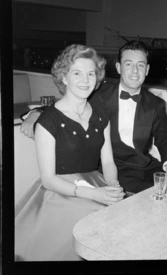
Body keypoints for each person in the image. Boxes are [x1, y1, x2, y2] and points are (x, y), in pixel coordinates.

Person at [20, 40, 167, 194]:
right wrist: (36, 113)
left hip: (145, 166)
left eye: (140, 65)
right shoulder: (98, 95)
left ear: (147, 70)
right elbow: (67, 104)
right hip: (113, 171)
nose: (135, 71)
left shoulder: (155, 103)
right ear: (119, 67)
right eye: (129, 64)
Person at [15, 44, 125, 261]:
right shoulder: (48, 120)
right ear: (64, 78)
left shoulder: (102, 114)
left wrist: (112, 186)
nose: (85, 80)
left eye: (91, 73)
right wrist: (94, 194)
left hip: (96, 183)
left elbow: (108, 161)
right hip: (61, 193)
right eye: (77, 73)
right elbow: (48, 180)